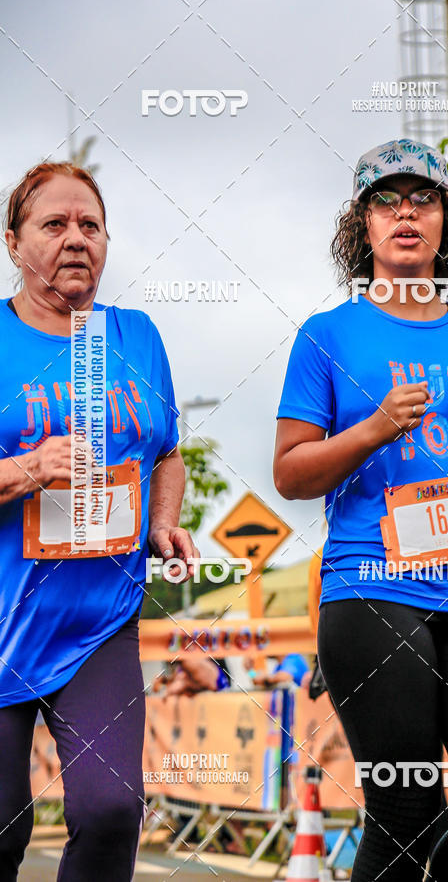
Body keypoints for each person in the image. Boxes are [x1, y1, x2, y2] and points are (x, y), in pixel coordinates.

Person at [273, 138, 448, 881]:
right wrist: (372, 429)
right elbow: (290, 475)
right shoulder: (327, 336)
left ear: (445, 221)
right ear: (362, 225)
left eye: (423, 199)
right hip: (372, 586)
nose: (405, 213)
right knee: (407, 812)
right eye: (386, 201)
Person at [0, 162, 198, 881]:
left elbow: (166, 453)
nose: (76, 239)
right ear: (13, 242)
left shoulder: (136, 336)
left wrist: (163, 520)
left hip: (99, 623)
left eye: (91, 225)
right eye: (54, 224)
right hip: (4, 617)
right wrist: (28, 468)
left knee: (113, 810)